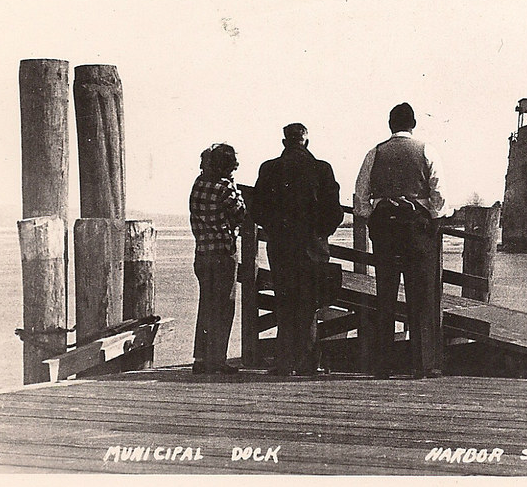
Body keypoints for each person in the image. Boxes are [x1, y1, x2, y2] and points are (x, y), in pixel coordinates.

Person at [354, 103, 450, 379]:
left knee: (385, 293)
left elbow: (361, 195)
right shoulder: (426, 150)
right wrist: (432, 217)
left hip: (385, 227)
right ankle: (422, 363)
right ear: (414, 124)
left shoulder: (375, 152)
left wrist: (371, 214)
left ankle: (383, 364)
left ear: (390, 124)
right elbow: (439, 193)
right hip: (415, 228)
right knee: (421, 294)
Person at [254, 123, 343, 376]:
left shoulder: (269, 168)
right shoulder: (321, 169)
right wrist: (321, 232)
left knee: (284, 300)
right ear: (306, 141)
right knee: (309, 303)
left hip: (281, 245)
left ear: (285, 142)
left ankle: (284, 361)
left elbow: (258, 209)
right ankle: (308, 361)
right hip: (312, 246)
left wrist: (274, 227)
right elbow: (334, 211)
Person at [189, 143, 248, 375]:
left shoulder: (198, 183)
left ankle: (201, 358)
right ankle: (218, 359)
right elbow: (240, 213)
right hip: (224, 252)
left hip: (202, 252)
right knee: (224, 307)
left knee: (206, 304)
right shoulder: (225, 187)